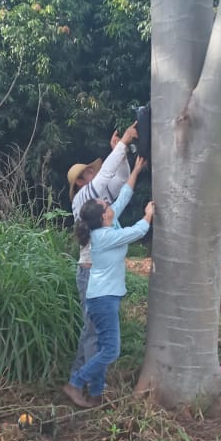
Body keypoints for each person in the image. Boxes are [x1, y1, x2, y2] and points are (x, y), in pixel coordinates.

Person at [63, 156, 153, 408]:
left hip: (105, 296)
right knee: (110, 350)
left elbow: (123, 196)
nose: (109, 203)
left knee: (103, 345)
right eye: (106, 204)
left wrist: (135, 170)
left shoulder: (106, 224)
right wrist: (148, 215)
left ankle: (96, 392)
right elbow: (136, 232)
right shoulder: (103, 236)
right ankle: (76, 383)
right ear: (104, 216)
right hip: (102, 298)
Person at [66, 121, 139, 381]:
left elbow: (119, 181)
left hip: (95, 272)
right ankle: (85, 382)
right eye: (88, 173)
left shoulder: (96, 199)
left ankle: (80, 376)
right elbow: (108, 174)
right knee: (94, 331)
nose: (93, 174)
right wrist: (123, 144)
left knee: (91, 329)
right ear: (81, 182)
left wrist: (122, 156)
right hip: (90, 273)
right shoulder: (83, 198)